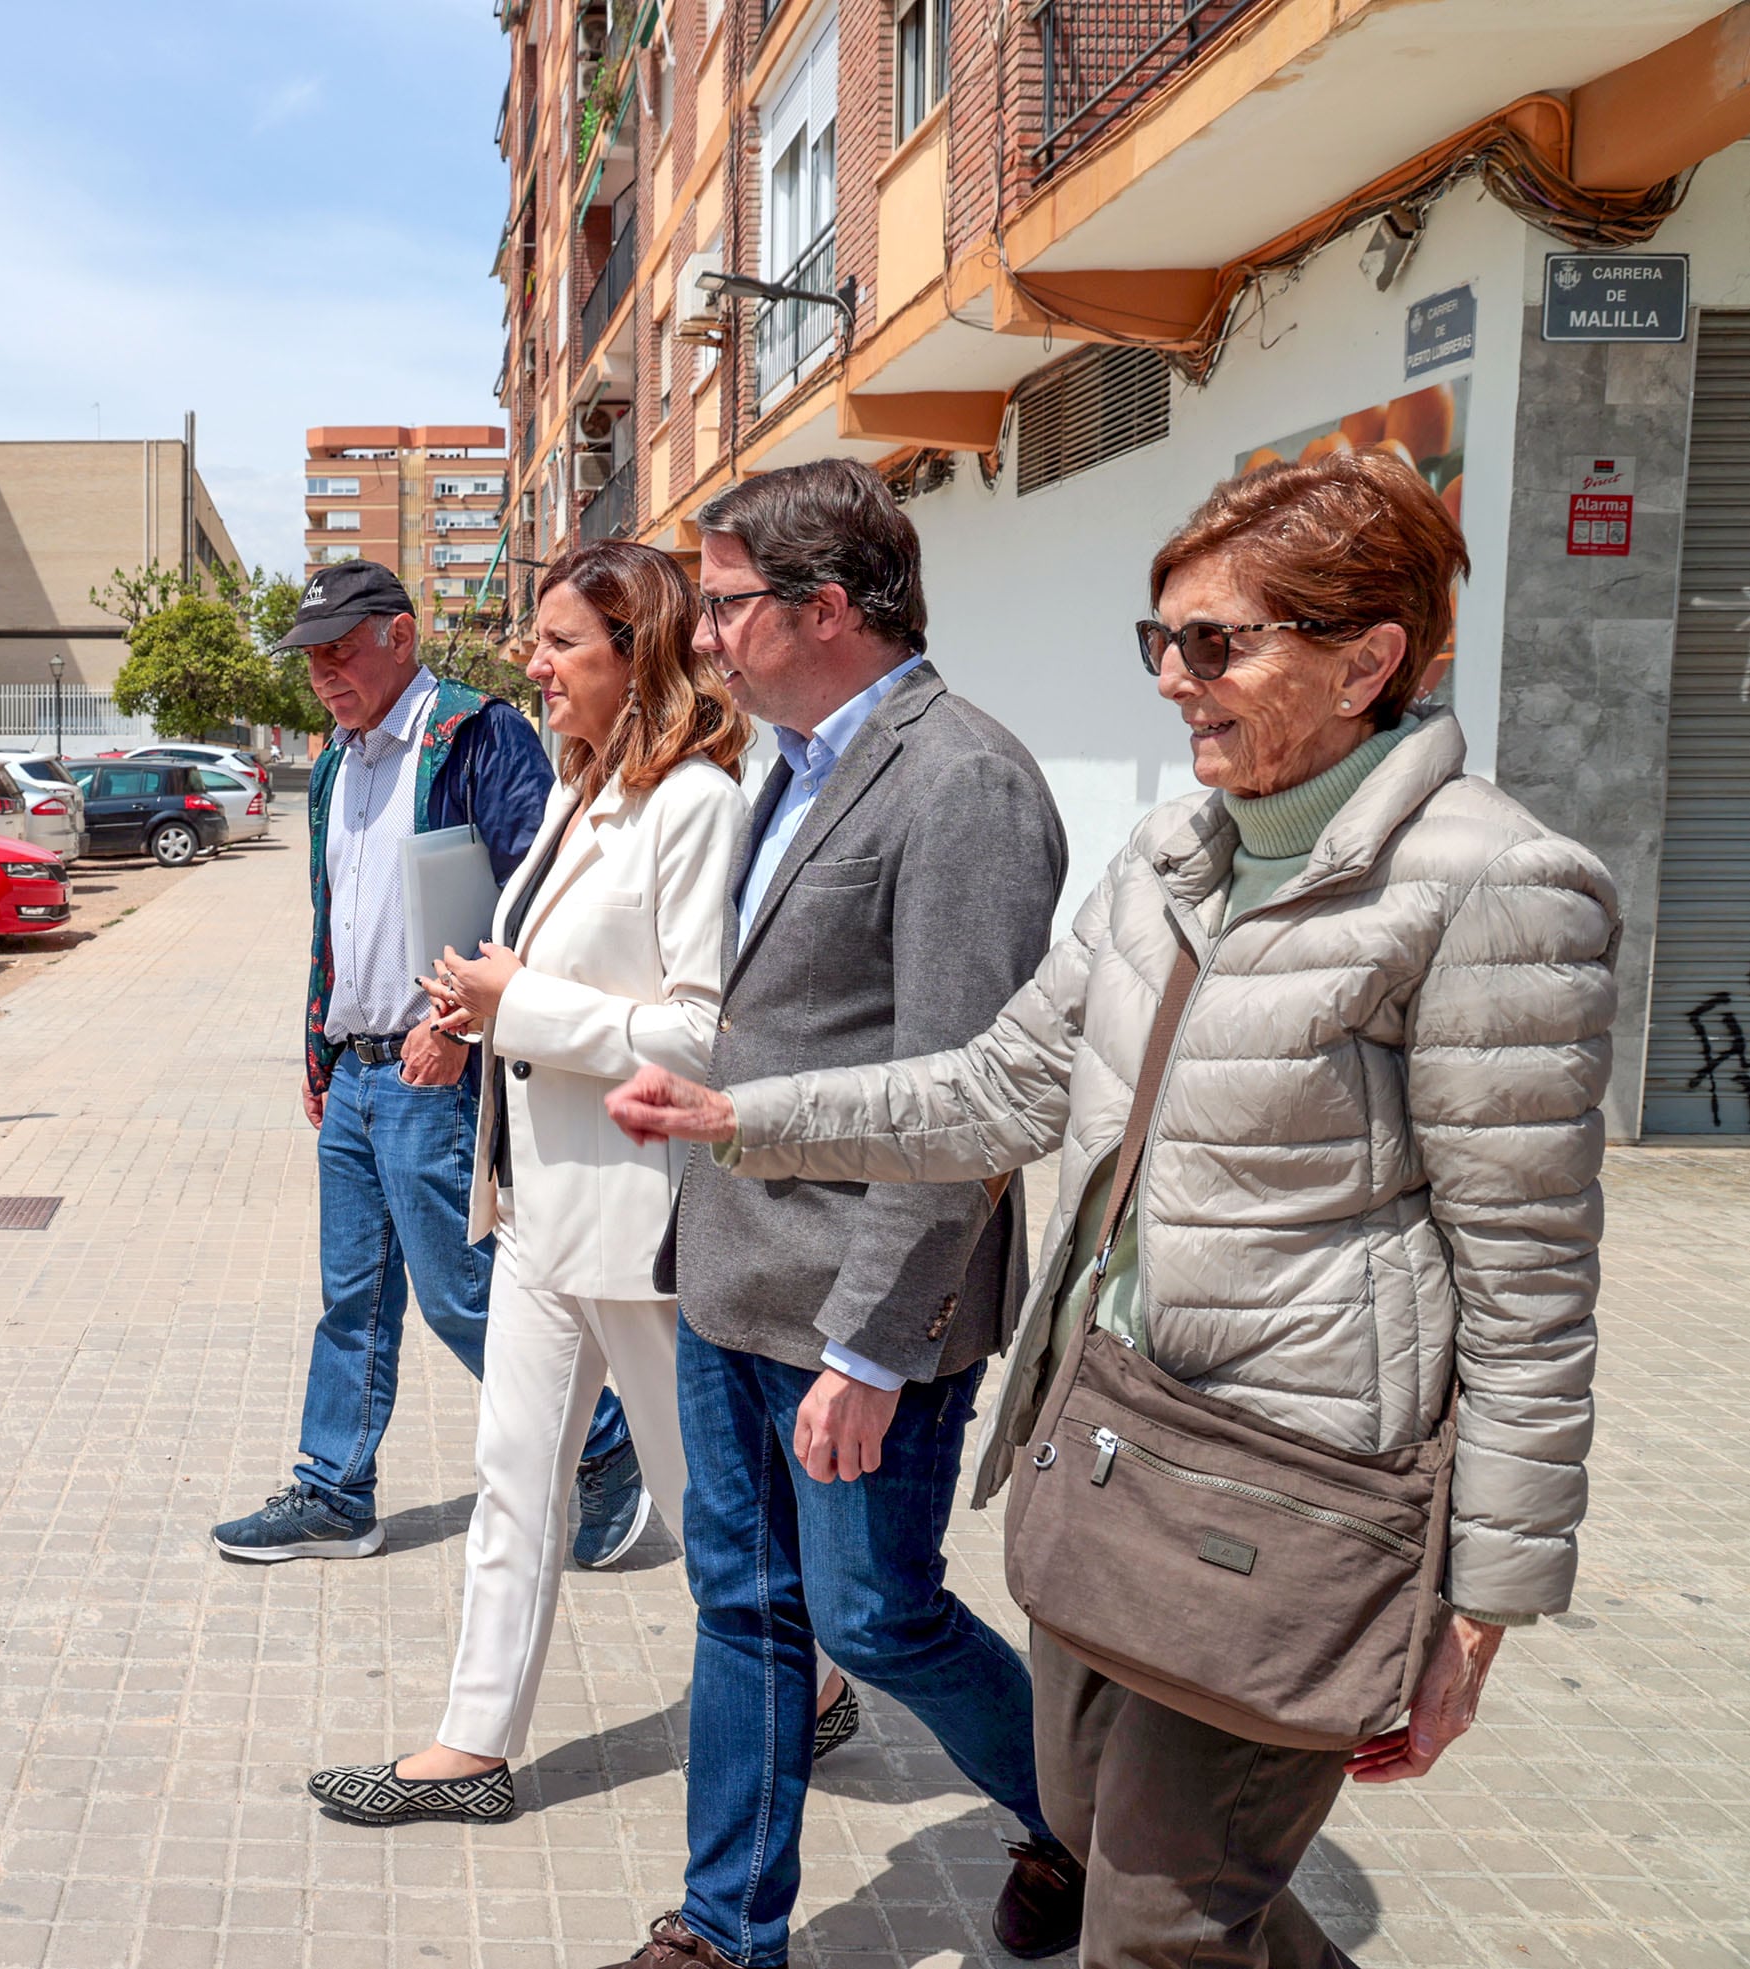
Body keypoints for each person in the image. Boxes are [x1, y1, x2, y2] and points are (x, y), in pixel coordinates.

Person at [609, 448, 1614, 1968]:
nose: (1173, 680)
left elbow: (1530, 1287)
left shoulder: (1498, 887)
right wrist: (743, 1118)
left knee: (1154, 1917)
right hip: (1115, 1446)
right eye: (1161, 640)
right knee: (1095, 1831)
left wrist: (1483, 1601)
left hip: (1294, 1493)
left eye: (1218, 643)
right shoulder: (1168, 857)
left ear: (1368, 662)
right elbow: (995, 1086)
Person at [596, 461, 1078, 1969]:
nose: (706, 635)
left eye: (728, 604)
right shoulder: (789, 761)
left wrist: (872, 1348)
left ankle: (1083, 1820)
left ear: (822, 608)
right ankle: (726, 1930)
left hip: (866, 1304)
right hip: (737, 1276)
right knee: (741, 1606)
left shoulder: (963, 784)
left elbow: (961, 1098)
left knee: (872, 1617)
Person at [303, 541, 746, 1825]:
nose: (530, 665)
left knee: (700, 1509)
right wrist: (483, 1002)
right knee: (512, 1477)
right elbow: (537, 980)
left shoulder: (697, 805)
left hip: (638, 1220)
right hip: (540, 1204)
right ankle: (472, 1745)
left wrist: (522, 1006)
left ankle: (812, 1684)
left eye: (560, 644)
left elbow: (703, 1039)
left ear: (637, 653)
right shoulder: (575, 787)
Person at [214, 560, 652, 1567]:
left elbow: (534, 902)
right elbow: (337, 919)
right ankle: (333, 1490)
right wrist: (319, 1039)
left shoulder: (474, 736)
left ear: (400, 637)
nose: (321, 674)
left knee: (463, 1293)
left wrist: (457, 1030)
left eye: (339, 650)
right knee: (351, 1296)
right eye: (309, 659)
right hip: (358, 1068)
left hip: (435, 1072)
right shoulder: (335, 760)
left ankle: (609, 1447)